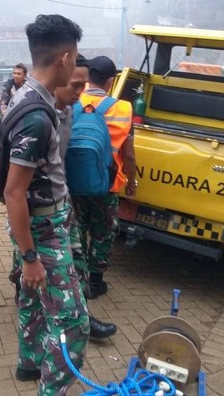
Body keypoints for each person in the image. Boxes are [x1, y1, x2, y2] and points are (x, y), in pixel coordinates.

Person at [3, 14, 89, 396]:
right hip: (42, 230)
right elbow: (13, 192)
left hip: (39, 223)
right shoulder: (37, 116)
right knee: (72, 322)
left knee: (33, 299)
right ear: (66, 57)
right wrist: (30, 255)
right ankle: (51, 390)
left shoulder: (25, 96)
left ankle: (29, 362)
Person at [9, 54, 117, 339]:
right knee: (36, 272)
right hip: (37, 213)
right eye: (76, 86)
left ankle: (77, 314)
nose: (82, 93)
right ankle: (68, 322)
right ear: (57, 80)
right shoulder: (35, 117)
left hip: (61, 204)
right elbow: (14, 189)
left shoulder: (68, 112)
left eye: (85, 85)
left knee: (75, 262)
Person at [71, 55, 137, 300]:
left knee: (77, 228)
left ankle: (75, 277)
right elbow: (128, 155)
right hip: (106, 184)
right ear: (111, 80)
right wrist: (132, 181)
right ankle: (95, 282)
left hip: (73, 181)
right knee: (103, 231)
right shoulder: (122, 108)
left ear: (87, 77)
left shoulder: (73, 101)